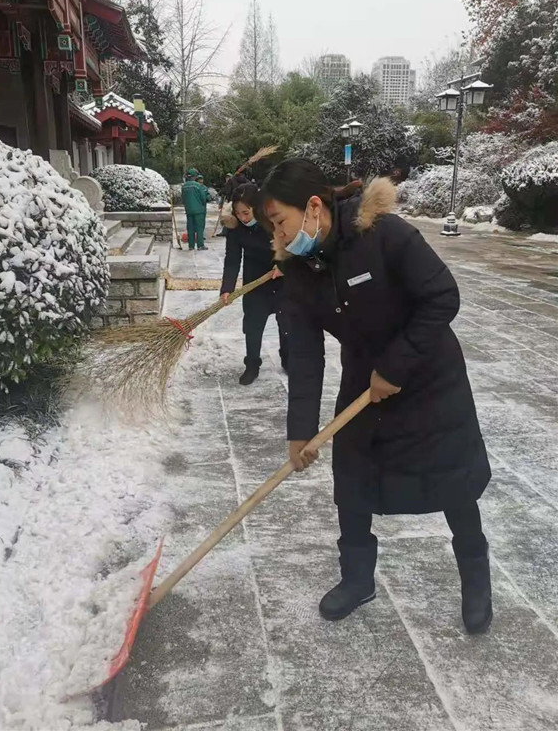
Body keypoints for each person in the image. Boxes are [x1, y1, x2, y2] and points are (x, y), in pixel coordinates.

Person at [256, 158, 492, 634]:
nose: (279, 238)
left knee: (454, 483)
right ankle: (357, 580)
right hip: (365, 384)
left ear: (314, 207)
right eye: (272, 228)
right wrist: (300, 432)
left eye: (280, 222)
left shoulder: (385, 235)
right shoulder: (301, 271)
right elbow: (304, 356)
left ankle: (477, 582)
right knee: (354, 481)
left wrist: (396, 365)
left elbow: (442, 296)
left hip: (430, 379)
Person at [220, 182, 287, 385]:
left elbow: (289, 244)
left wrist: (283, 265)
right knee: (253, 326)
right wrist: (227, 289)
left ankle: (288, 357)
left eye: (246, 212)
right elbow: (232, 260)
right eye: (238, 213)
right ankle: (252, 365)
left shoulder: (273, 222)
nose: (243, 217)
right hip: (255, 284)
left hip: (281, 280)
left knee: (287, 324)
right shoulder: (236, 229)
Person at [182, 167, 207, 251]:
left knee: (190, 228)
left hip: (189, 210)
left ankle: (191, 246)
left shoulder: (184, 186)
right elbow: (203, 198)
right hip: (198, 210)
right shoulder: (198, 186)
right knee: (199, 228)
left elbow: (183, 199)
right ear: (195, 176)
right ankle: (200, 245)